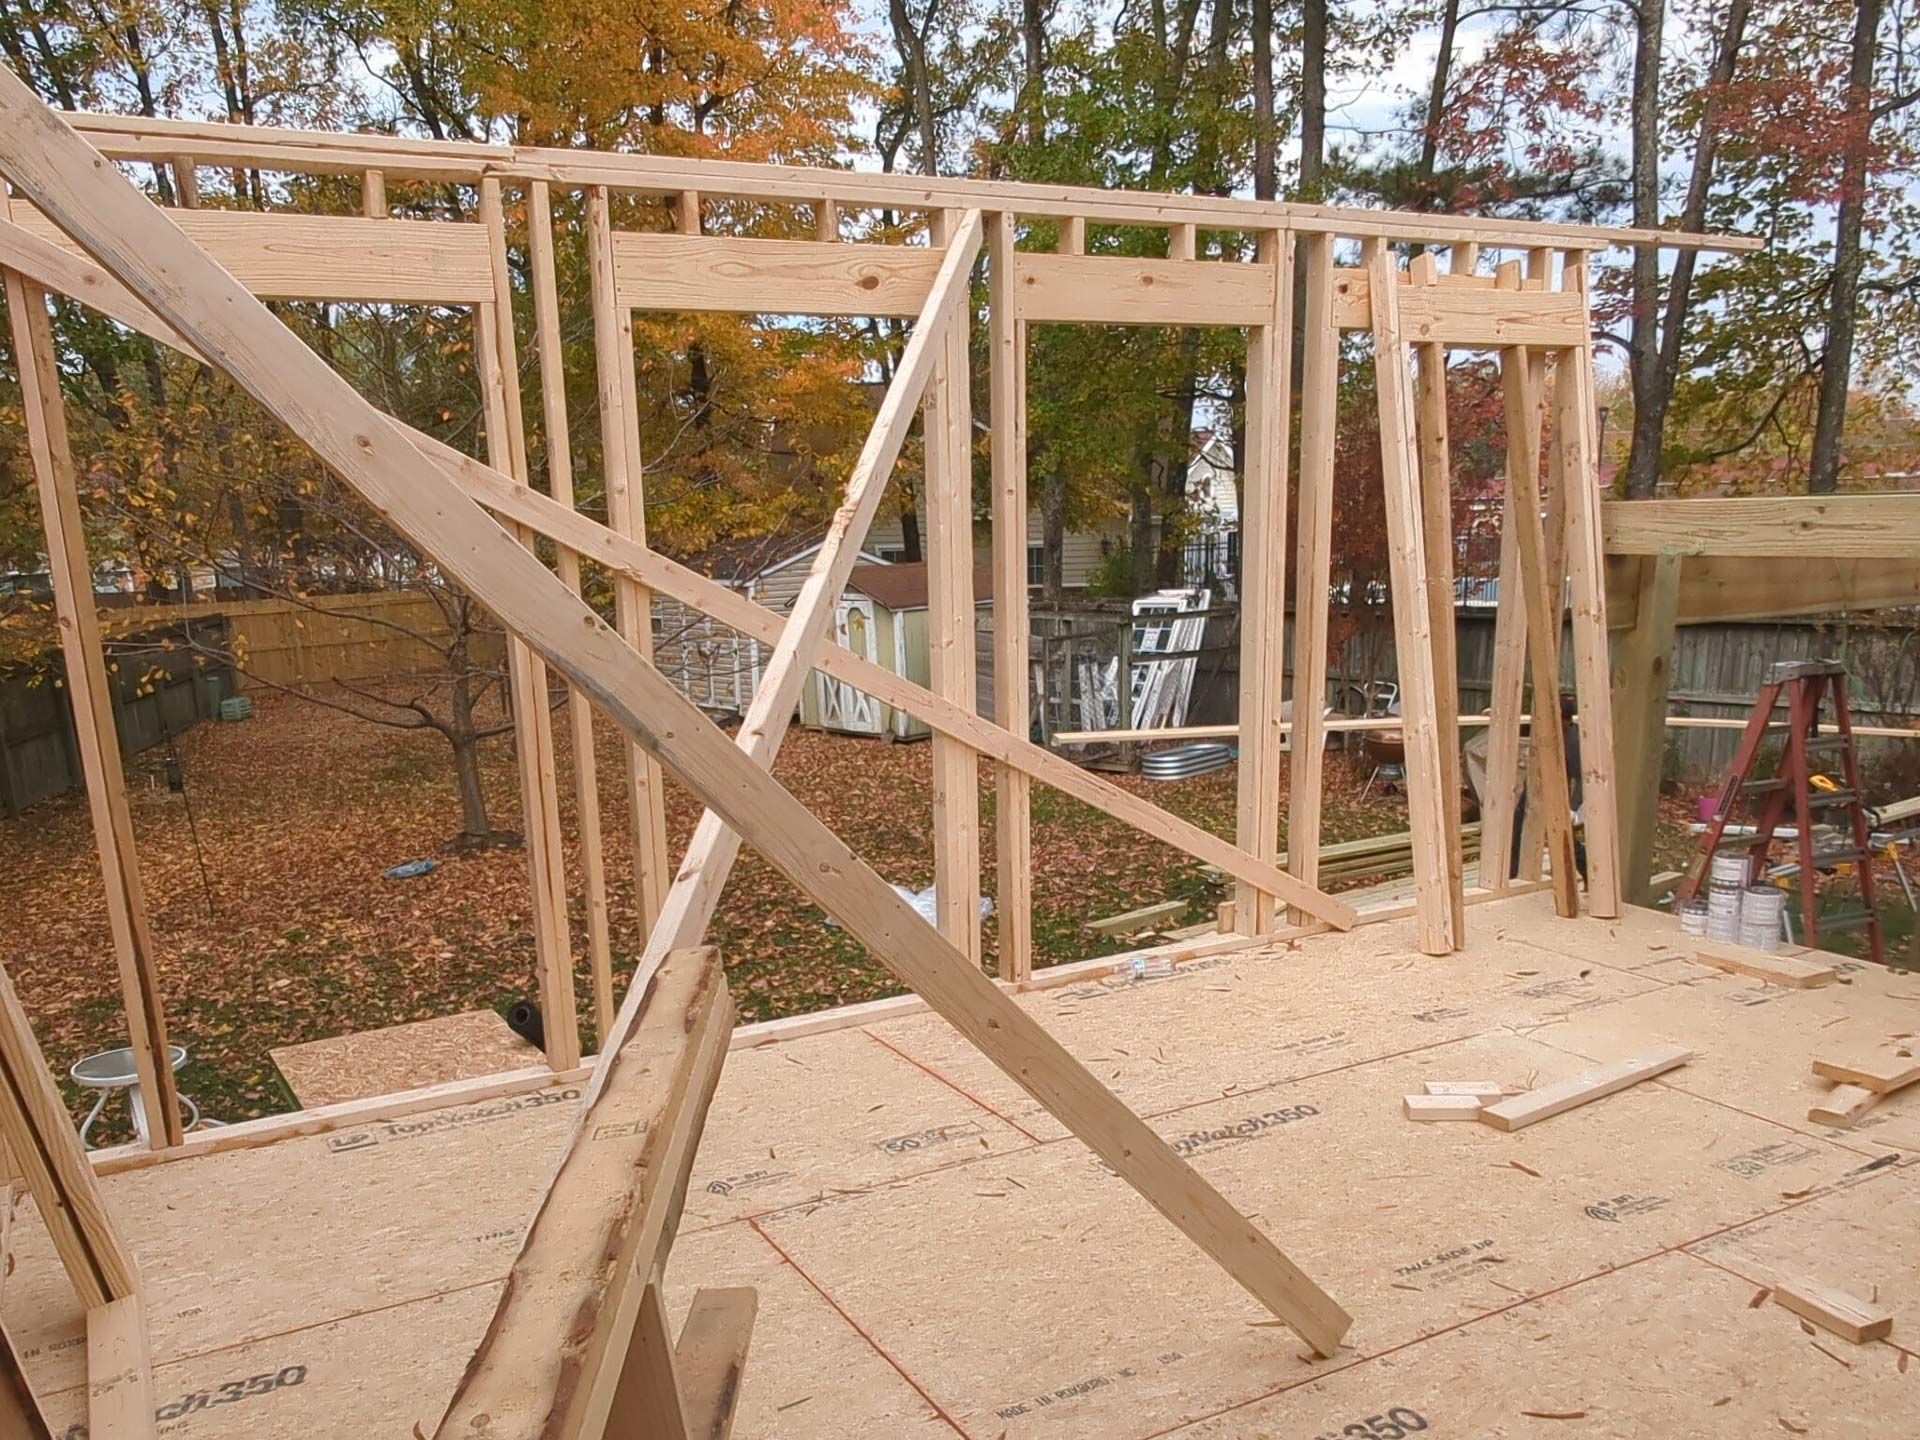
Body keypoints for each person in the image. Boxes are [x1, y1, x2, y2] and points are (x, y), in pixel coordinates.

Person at [1510, 693, 1588, 882]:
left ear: (1566, 720)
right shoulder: (1547, 730)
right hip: (1534, 788)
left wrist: (1573, 808)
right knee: (1517, 829)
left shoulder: (1572, 742)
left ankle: (1588, 873)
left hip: (1556, 794)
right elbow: (1524, 727)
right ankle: (1512, 875)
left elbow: (1581, 779)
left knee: (1565, 838)